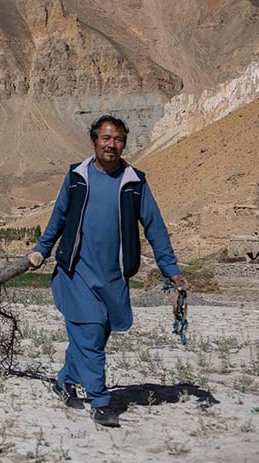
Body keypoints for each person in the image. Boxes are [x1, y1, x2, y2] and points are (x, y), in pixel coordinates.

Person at [27, 115, 188, 427]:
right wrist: (41, 250)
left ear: (124, 144)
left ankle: (63, 382)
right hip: (74, 272)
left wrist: (171, 269)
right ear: (94, 141)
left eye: (117, 140)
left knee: (97, 337)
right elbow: (59, 216)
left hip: (113, 276)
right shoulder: (76, 175)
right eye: (106, 138)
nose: (111, 144)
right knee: (89, 331)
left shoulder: (135, 182)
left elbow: (155, 227)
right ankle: (100, 402)